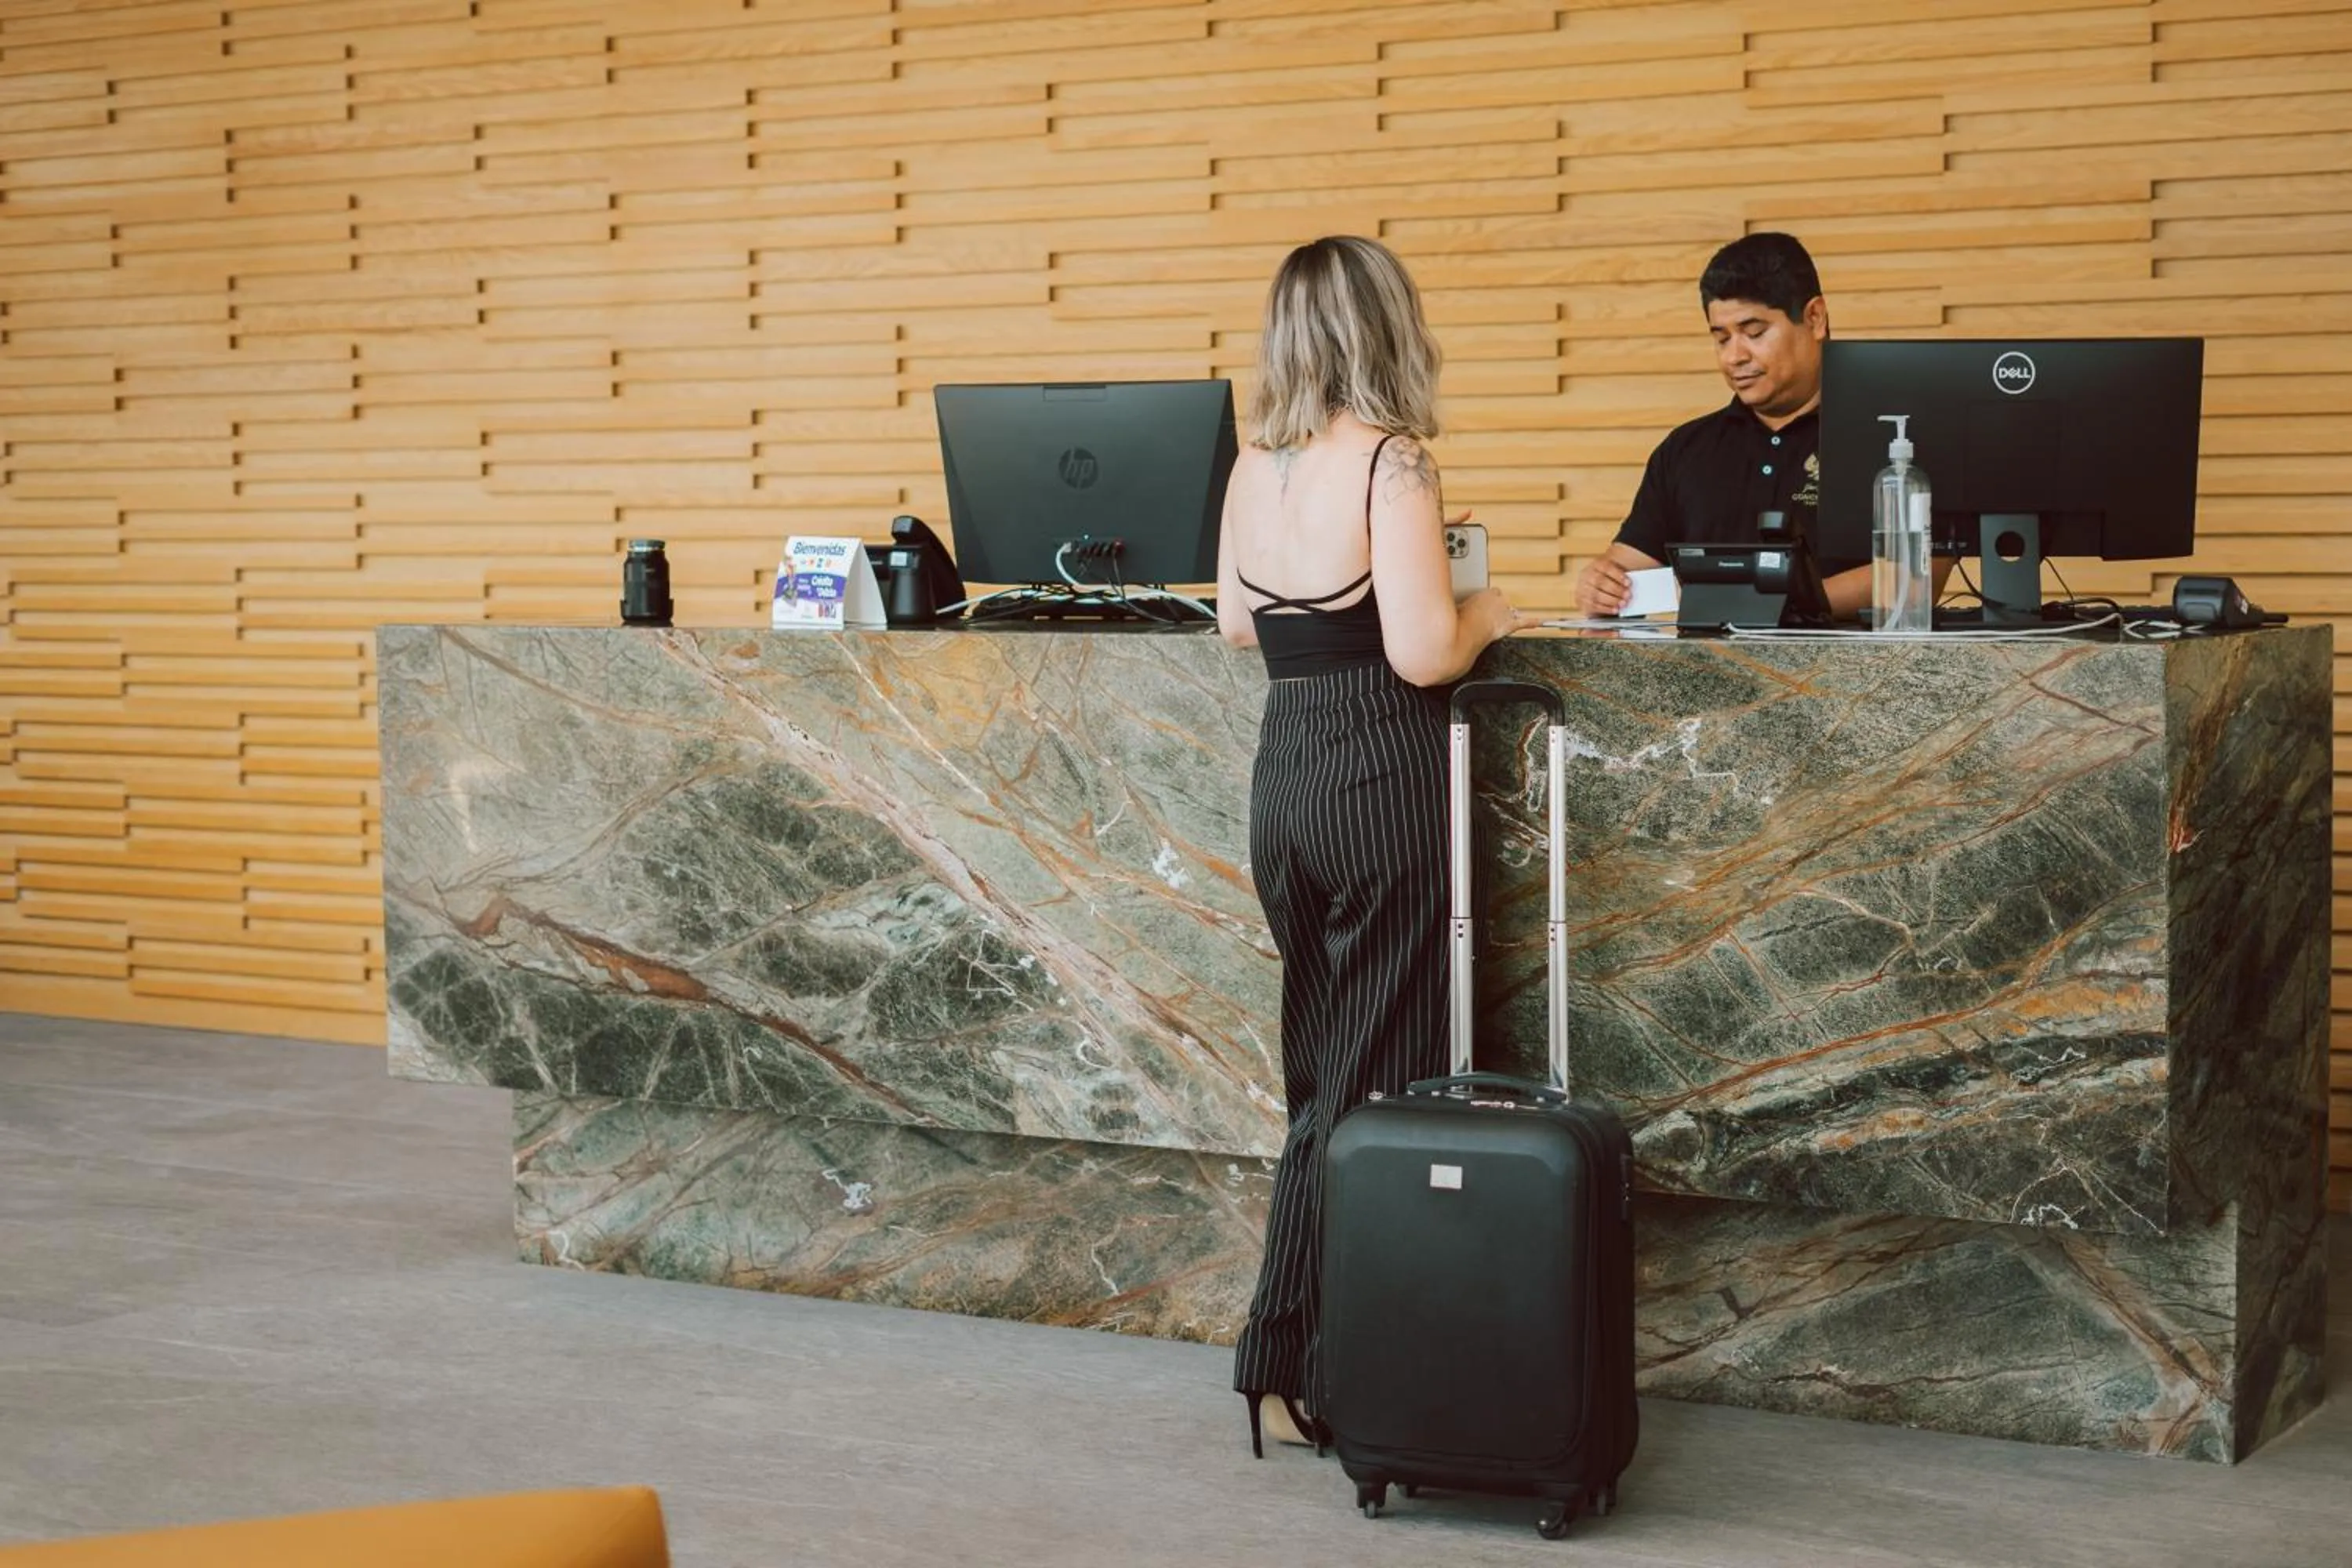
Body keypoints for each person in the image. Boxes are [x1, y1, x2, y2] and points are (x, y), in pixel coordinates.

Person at [1214, 235, 1526, 1454]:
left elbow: (1242, 627)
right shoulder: (1394, 464)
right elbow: (1423, 653)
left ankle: (1309, 1360)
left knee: (1321, 1077)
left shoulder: (1255, 467)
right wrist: (1489, 607)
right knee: (1371, 1090)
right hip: (1377, 778)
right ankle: (1290, 1364)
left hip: (1285, 775)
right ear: (1384, 328)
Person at [1573, 231, 1950, 621]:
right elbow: (1626, 567)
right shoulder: (1686, 450)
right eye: (1721, 339)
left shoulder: (1894, 438)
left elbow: (1919, 578)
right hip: (1710, 675)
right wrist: (1601, 586)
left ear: (1814, 318)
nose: (1735, 357)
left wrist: (1770, 605)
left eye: (1754, 333)